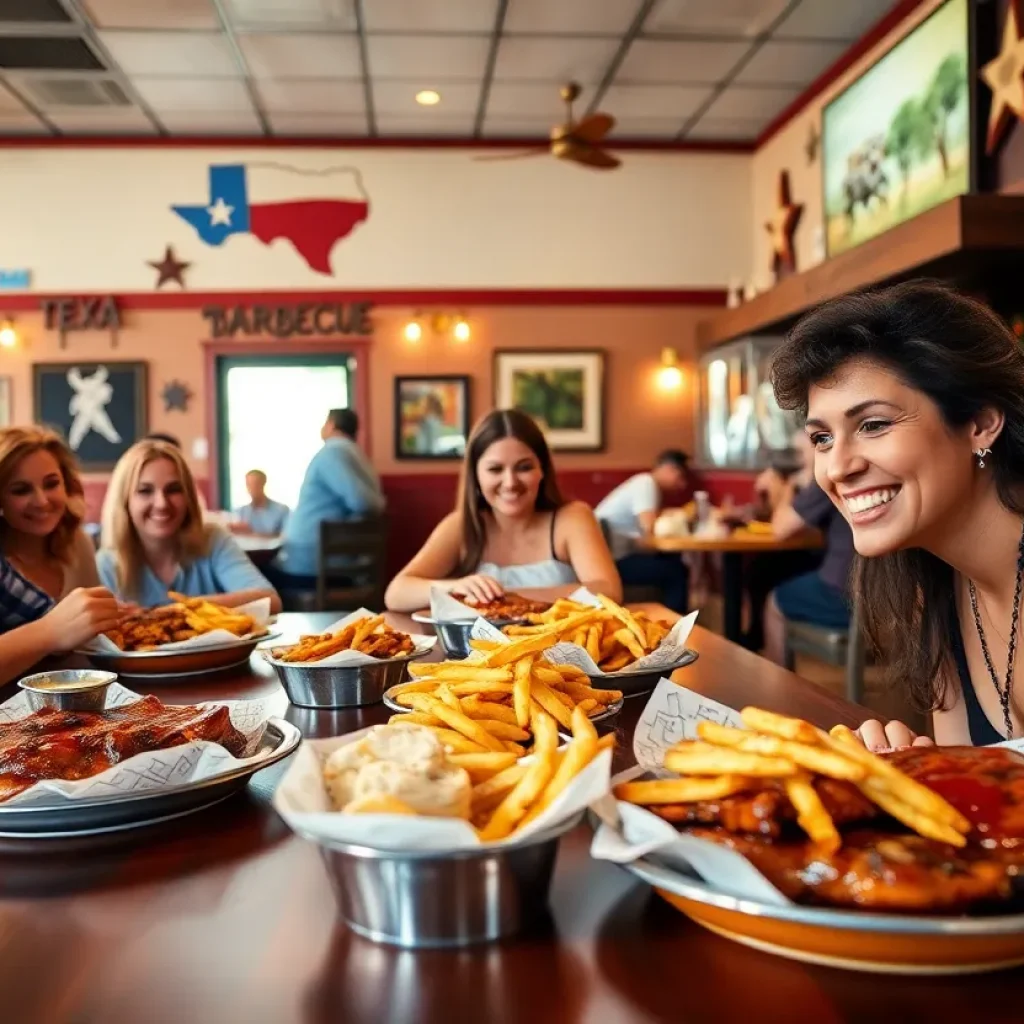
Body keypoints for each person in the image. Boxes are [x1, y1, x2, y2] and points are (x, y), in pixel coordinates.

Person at [771, 279, 1024, 751]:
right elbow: (970, 774)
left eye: (873, 424)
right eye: (821, 438)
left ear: (980, 424)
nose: (837, 467)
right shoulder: (934, 586)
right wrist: (918, 772)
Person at [385, 409, 621, 611]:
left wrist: (506, 596)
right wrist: (452, 587)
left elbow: (608, 590)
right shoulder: (461, 525)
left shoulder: (571, 517)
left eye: (524, 467)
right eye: (495, 469)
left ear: (543, 470)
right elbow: (396, 594)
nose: (510, 482)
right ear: (476, 475)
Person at [0, 426, 123, 685]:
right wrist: (52, 630)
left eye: (51, 484)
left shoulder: (78, 541)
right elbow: (57, 630)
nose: (42, 501)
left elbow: (93, 641)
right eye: (21, 490)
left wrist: (111, 616)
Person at [97, 438, 281, 611]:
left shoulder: (213, 539)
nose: (161, 503)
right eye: (145, 491)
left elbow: (269, 600)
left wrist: (180, 610)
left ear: (189, 498)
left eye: (174, 490)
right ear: (124, 502)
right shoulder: (107, 563)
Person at [752, 428, 854, 662]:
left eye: (801, 452)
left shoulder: (825, 477)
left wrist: (789, 487)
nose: (798, 459)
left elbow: (780, 529)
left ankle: (777, 684)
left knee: (774, 601)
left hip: (844, 594)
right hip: (879, 596)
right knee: (764, 569)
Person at [272, 408, 385, 582]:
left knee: (262, 573)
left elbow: (362, 501)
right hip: (342, 559)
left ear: (331, 425)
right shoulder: (360, 457)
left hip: (315, 564)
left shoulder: (332, 453)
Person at [594, 450, 690, 613]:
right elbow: (649, 532)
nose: (682, 485)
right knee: (677, 571)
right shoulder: (646, 483)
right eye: (680, 477)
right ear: (668, 469)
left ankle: (667, 621)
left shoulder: (643, 483)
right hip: (611, 563)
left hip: (611, 557)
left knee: (673, 559)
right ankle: (674, 630)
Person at [231, 470, 289, 537]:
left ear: (264, 483)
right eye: (248, 484)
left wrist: (251, 533)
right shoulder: (240, 511)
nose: (252, 488)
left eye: (255, 484)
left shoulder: (282, 510)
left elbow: (286, 537)